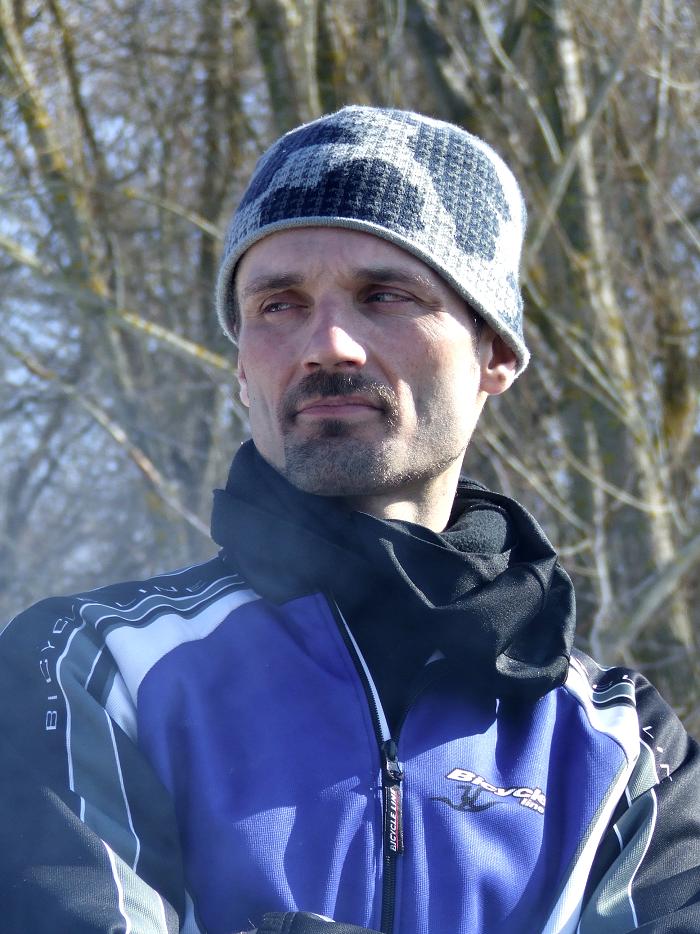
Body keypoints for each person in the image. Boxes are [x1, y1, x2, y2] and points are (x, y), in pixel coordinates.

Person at [1, 105, 698, 934]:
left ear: (497, 352)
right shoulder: (90, 668)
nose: (328, 344)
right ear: (240, 367)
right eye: (278, 304)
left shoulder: (621, 745)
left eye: (386, 295)